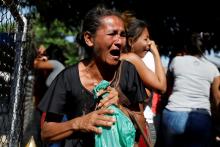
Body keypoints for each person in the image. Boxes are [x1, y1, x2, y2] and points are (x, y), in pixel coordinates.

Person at [38, 6, 148, 147]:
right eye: (112, 34)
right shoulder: (68, 78)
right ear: (89, 39)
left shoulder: (128, 71)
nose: (119, 41)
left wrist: (119, 106)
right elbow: (46, 133)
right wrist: (79, 123)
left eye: (122, 35)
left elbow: (141, 121)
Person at [161, 32, 220, 147]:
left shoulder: (176, 61)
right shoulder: (213, 69)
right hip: (201, 118)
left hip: (173, 114)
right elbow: (217, 99)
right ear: (204, 48)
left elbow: (167, 88)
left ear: (186, 47)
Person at [120, 15, 167, 146]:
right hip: (132, 129)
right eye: (146, 39)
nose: (149, 43)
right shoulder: (132, 58)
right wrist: (156, 53)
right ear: (131, 41)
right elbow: (161, 87)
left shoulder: (118, 59)